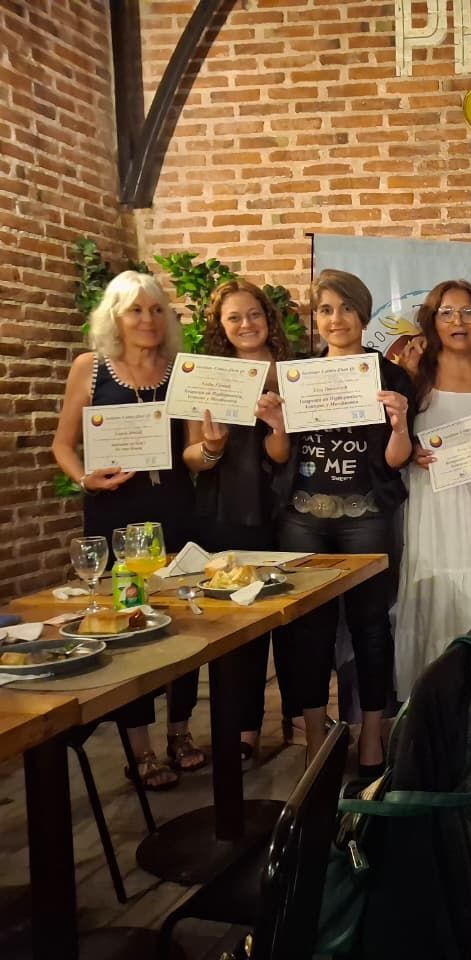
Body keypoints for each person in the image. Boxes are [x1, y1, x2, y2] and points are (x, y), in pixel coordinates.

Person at [51, 270, 204, 789]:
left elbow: (191, 452)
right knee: (131, 624)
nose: (147, 319)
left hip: (177, 508)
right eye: (136, 310)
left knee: (183, 621)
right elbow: (63, 445)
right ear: (115, 316)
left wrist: (213, 448)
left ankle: (180, 733)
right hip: (115, 512)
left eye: (157, 309)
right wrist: (84, 478)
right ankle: (139, 750)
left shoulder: (180, 370)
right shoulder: (90, 369)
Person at [272, 269, 413, 776]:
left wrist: (398, 423)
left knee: (371, 628)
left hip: (367, 517)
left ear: (363, 313)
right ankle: (316, 739)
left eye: (346, 309)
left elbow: (398, 459)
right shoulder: (298, 373)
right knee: (308, 630)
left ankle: (372, 735)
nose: (336, 320)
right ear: (317, 318)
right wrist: (277, 425)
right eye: (326, 310)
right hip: (302, 518)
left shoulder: (391, 376)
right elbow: (279, 454)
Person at [183, 279, 291, 765]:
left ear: (268, 318)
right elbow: (191, 458)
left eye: (254, 314)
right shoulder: (208, 375)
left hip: (284, 508)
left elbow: (284, 453)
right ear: (220, 327)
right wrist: (213, 445)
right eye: (234, 318)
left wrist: (275, 426)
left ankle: (299, 721)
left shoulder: (291, 372)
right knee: (233, 623)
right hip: (224, 510)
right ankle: (241, 730)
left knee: (280, 622)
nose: (246, 324)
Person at [395, 280, 471, 695]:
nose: (458, 321)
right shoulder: (415, 367)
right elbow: (392, 433)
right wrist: (409, 454)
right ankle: (431, 696)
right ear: (432, 320)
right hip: (436, 502)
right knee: (438, 588)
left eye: (468, 312)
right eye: (446, 312)